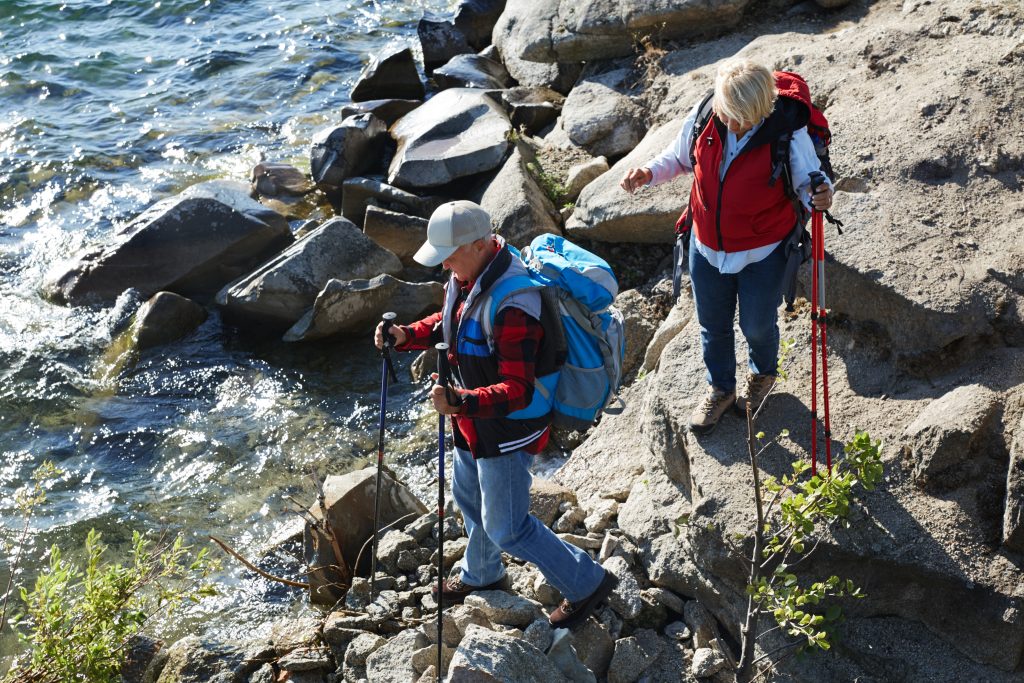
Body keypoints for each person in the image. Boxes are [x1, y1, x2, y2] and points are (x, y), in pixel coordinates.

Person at [374, 200, 617, 630]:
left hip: (508, 428)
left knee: (509, 528)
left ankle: (587, 582)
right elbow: (451, 323)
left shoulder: (515, 304)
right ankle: (483, 573)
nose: (444, 263)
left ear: (479, 244)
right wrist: (406, 334)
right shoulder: (467, 274)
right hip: (473, 420)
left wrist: (461, 401)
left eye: (449, 253)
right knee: (468, 497)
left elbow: (519, 391)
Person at [621, 57, 834, 434]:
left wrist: (822, 194)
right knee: (713, 325)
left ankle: (762, 375)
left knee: (755, 325)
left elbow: (808, 180)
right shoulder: (708, 113)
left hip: (763, 252)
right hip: (706, 246)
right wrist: (649, 172)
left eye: (743, 120)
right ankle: (720, 388)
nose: (733, 125)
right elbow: (680, 156)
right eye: (729, 115)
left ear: (762, 111)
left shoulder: (787, 131)